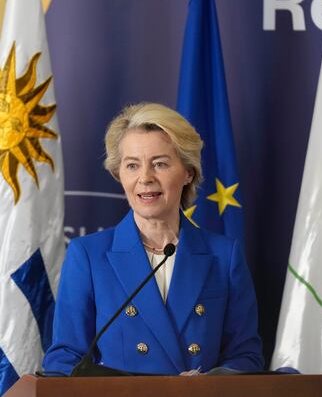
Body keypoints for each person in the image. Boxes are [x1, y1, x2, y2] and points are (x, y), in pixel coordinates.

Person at [43, 103, 264, 375]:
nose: (145, 178)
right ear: (119, 174)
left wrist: (209, 384)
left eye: (159, 164)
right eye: (132, 165)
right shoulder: (88, 256)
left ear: (188, 172)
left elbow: (245, 357)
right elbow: (65, 359)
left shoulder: (224, 256)